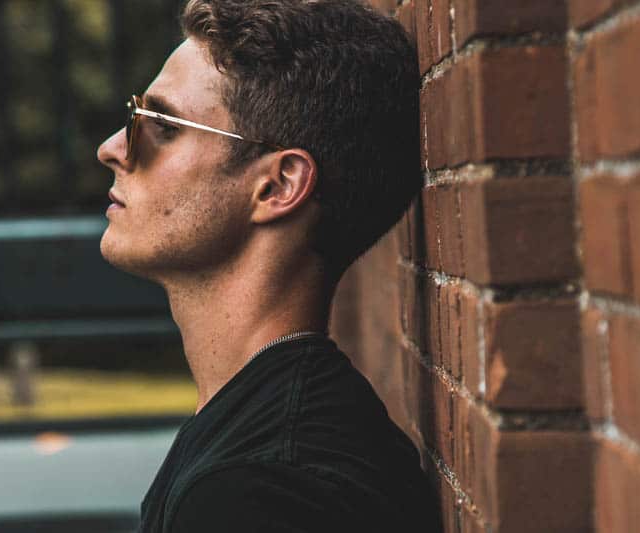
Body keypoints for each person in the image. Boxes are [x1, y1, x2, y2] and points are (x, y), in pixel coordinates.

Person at [97, 0, 439, 531]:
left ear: (278, 186)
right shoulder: (255, 428)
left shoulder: (260, 490)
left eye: (160, 125)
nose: (113, 148)